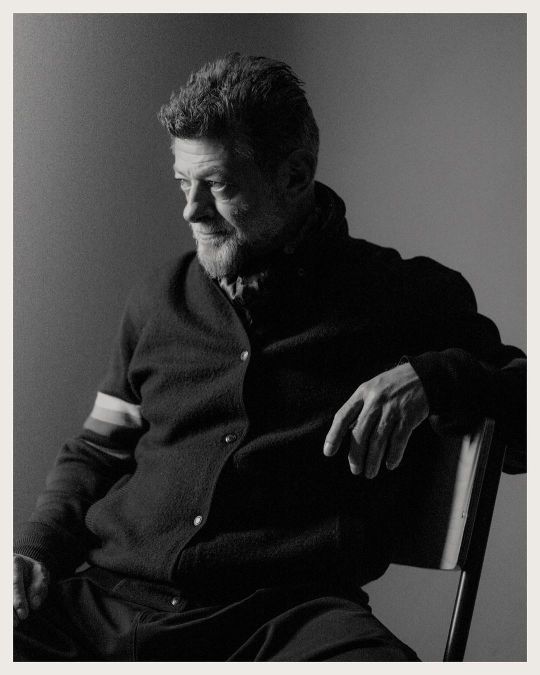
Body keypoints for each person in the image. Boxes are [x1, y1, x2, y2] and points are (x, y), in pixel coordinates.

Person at [13, 53, 526, 661]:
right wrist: (36, 551)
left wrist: (435, 378)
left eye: (219, 185)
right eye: (183, 182)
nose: (191, 209)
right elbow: (98, 449)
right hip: (104, 605)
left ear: (295, 175)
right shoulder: (158, 296)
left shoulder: (403, 296)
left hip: (285, 621)